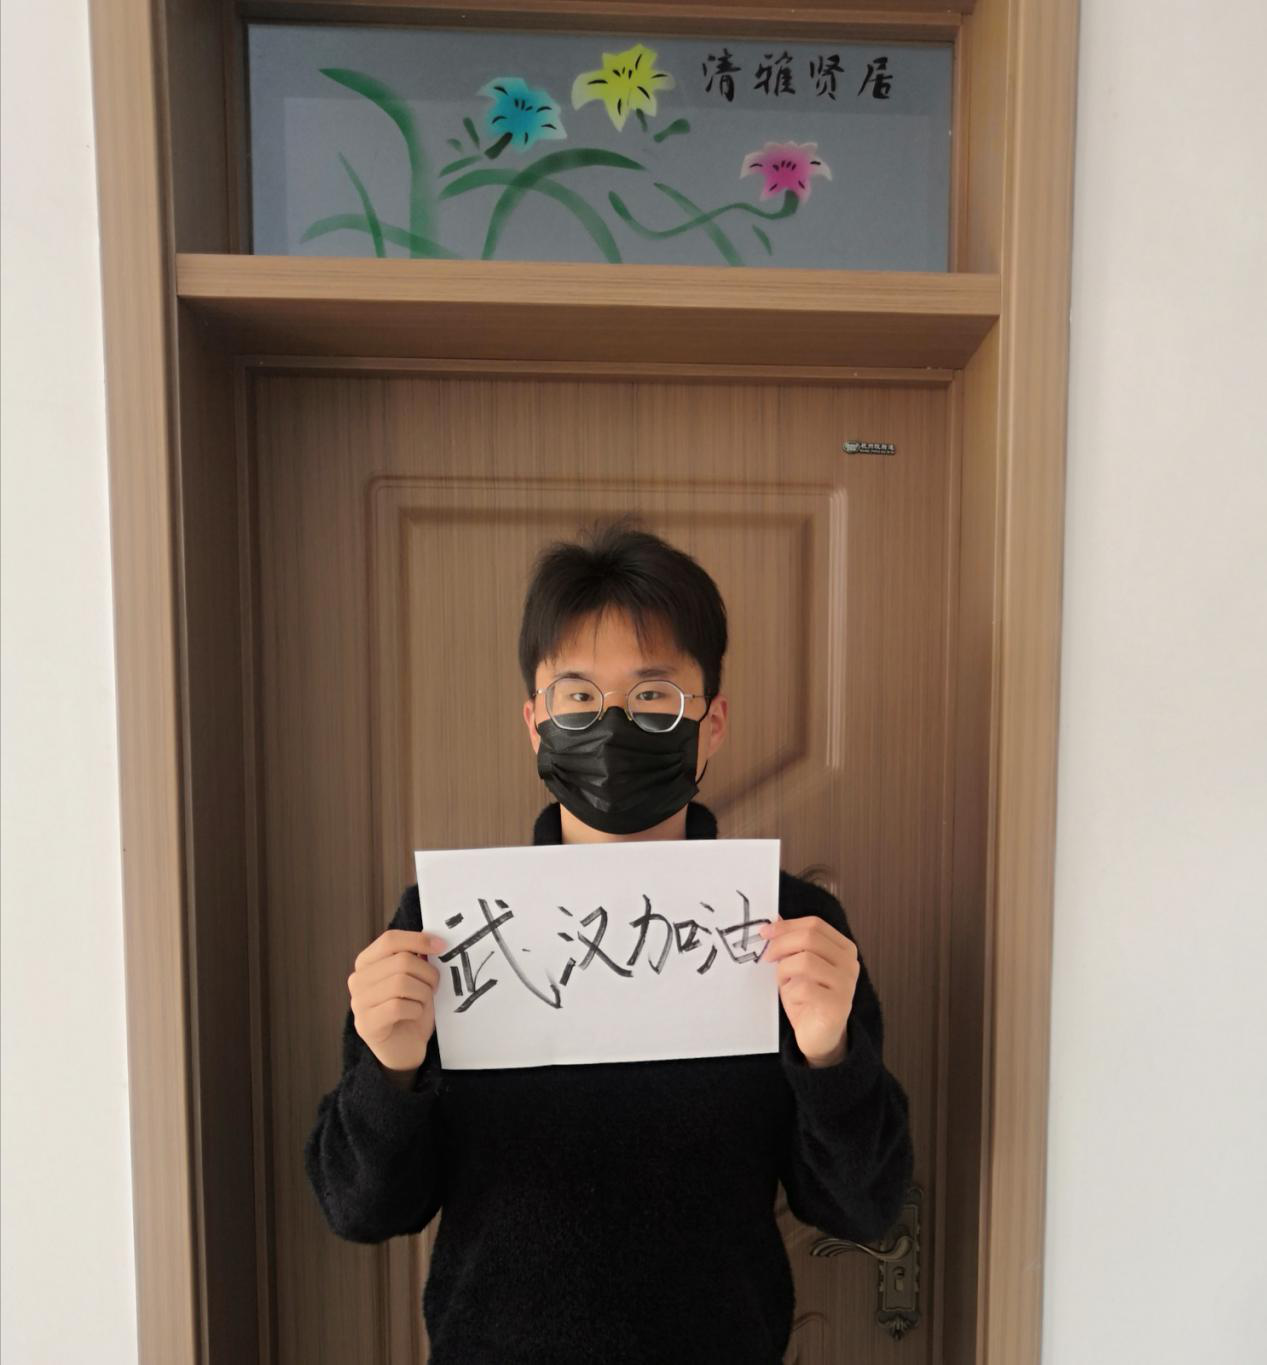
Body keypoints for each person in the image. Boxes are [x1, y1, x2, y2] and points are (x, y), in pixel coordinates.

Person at [305, 517, 914, 1365]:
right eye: (579, 696)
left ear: (712, 722)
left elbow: (861, 1204)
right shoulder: (446, 926)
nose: (614, 723)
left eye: (654, 695)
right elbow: (359, 1207)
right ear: (534, 723)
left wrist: (829, 1056)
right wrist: (390, 1071)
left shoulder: (790, 926)